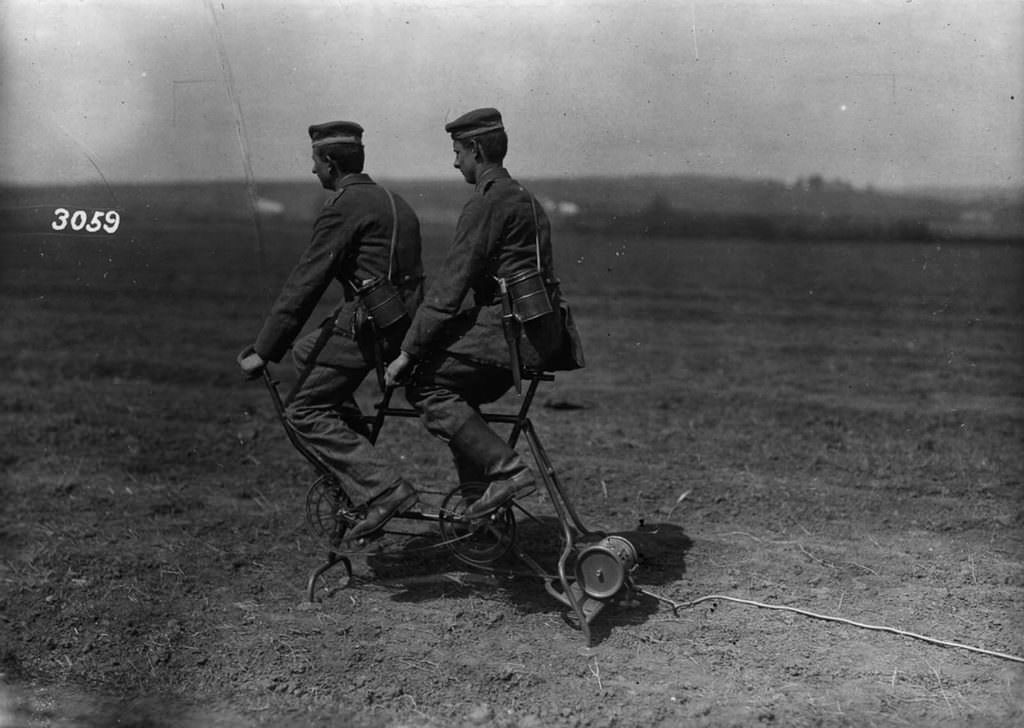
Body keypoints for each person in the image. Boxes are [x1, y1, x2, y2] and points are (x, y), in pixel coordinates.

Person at [385, 107, 584, 522]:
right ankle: (480, 510)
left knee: (424, 384)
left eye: (457, 151)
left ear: (476, 150)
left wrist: (407, 352)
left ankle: (505, 472)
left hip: (511, 334)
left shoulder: (487, 204)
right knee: (460, 389)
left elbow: (448, 289)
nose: (454, 161)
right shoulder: (526, 199)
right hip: (541, 333)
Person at [237, 120, 423, 542]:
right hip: (402, 325)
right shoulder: (396, 202)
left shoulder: (344, 207)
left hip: (370, 328)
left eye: (315, 162)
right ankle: (357, 455)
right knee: (305, 354)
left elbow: (306, 281)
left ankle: (381, 488)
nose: (313, 171)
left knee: (301, 412)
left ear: (331, 163)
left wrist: (264, 351)